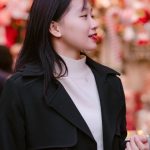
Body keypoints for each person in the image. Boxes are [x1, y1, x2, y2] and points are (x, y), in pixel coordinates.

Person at [0, 0, 149, 150]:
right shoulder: (22, 89)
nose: (94, 24)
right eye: (84, 16)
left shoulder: (110, 83)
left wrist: (131, 147)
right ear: (55, 28)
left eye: (93, 15)